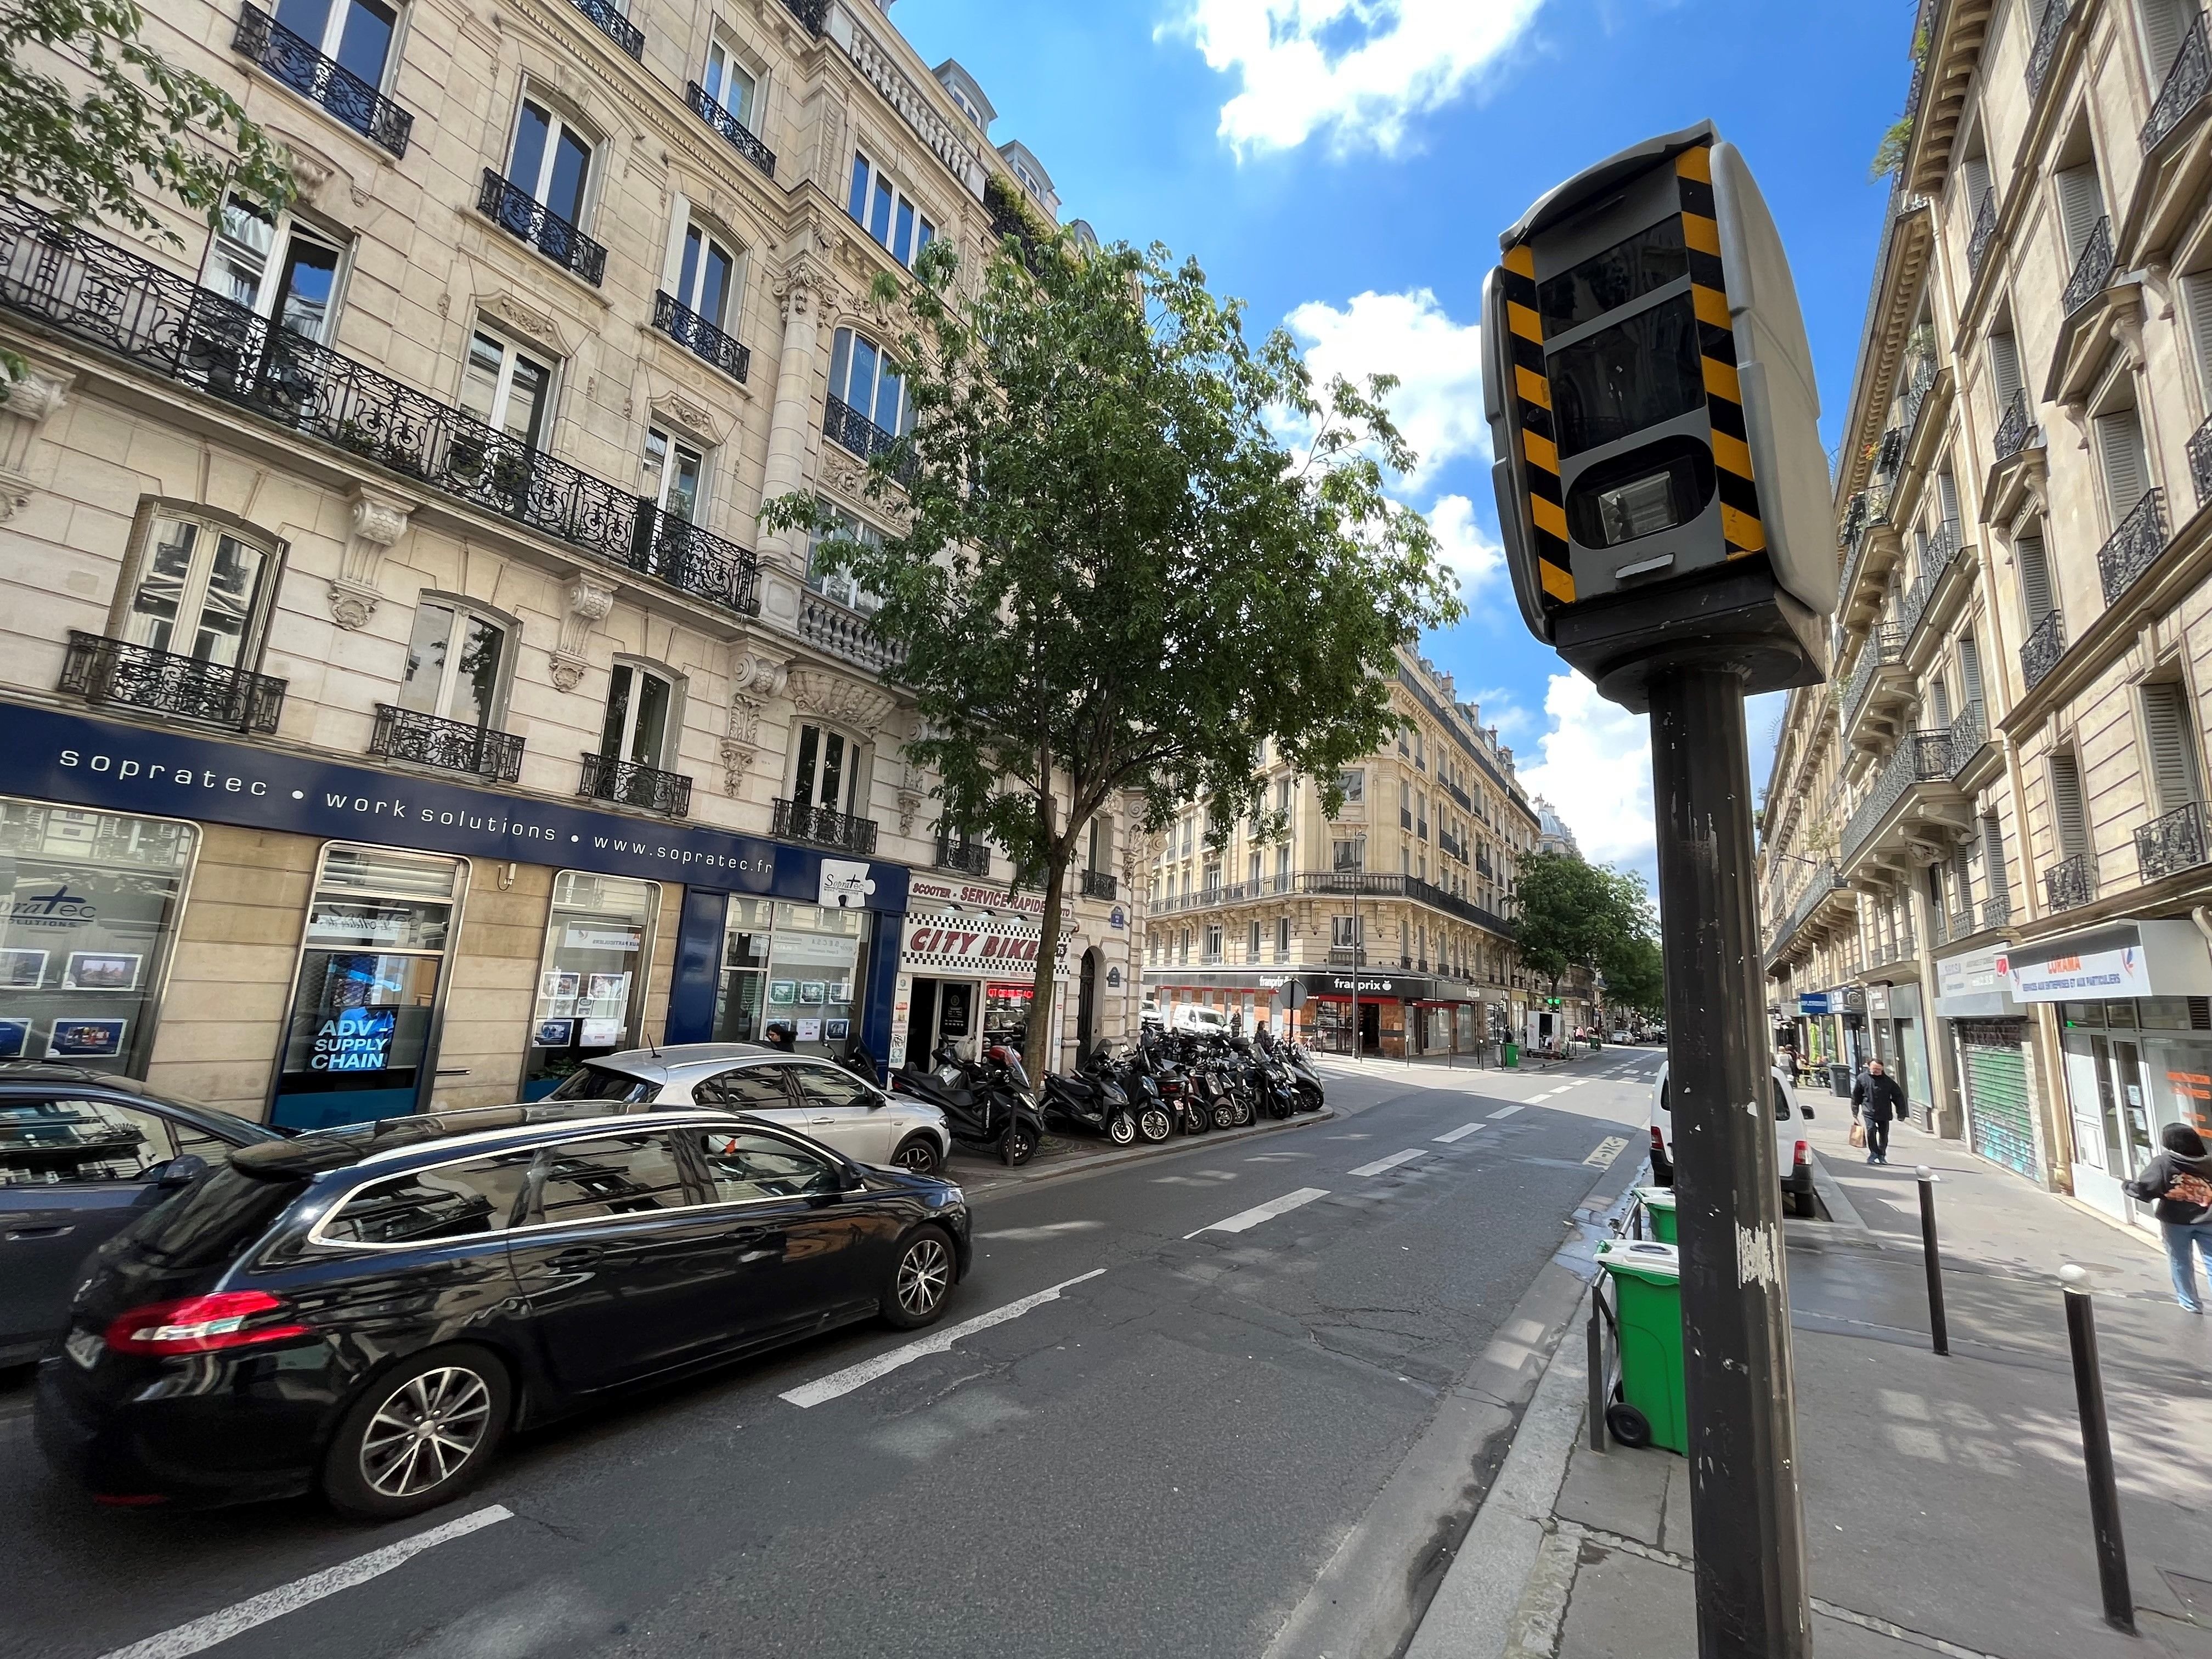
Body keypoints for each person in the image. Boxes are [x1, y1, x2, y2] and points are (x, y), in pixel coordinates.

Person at [2123, 1124, 2212, 1313]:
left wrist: (2127, 1186)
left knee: (2180, 1261)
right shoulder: (2209, 1162)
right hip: (2209, 1219)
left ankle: (2190, 1303)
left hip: (2175, 1221)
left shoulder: (2164, 1162)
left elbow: (2146, 1188)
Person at [1850, 1058, 1906, 1165]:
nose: (1876, 1071)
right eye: (1874, 1069)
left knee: (1884, 1134)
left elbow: (1898, 1096)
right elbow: (1856, 1095)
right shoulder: (1862, 1078)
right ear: (1869, 1067)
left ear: (1882, 1069)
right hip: (1868, 1110)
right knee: (1871, 1130)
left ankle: (1882, 1154)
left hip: (1884, 1112)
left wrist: (1901, 1113)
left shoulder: (1888, 1081)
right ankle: (1874, 1153)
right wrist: (1855, 1110)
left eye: (1879, 1069)